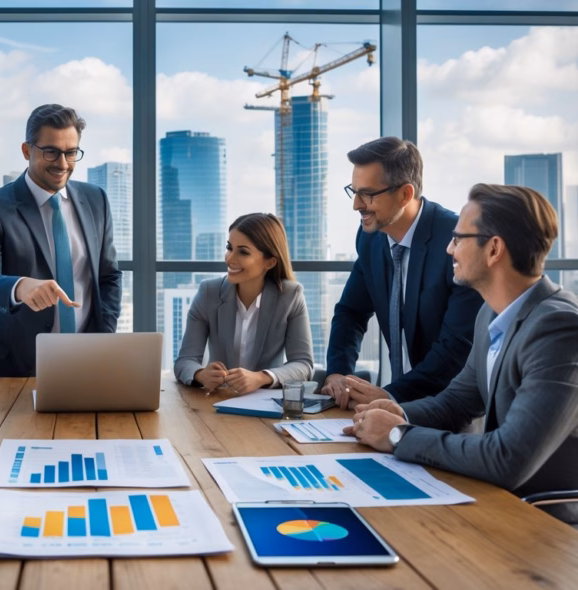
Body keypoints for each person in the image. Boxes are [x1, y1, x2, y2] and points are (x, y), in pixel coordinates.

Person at [346, 184, 578, 522]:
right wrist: (398, 412)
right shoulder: (490, 313)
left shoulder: (558, 328)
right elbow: (455, 403)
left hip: (545, 524)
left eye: (458, 238)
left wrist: (398, 434)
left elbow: (508, 459)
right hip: (496, 505)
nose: (449, 249)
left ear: (494, 249)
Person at [322, 137, 483, 408]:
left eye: (368, 194)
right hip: (395, 405)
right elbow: (351, 312)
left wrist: (389, 395)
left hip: (452, 408)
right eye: (354, 191)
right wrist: (339, 372)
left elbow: (456, 347)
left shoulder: (457, 241)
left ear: (406, 194)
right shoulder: (370, 237)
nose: (357, 205)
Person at [0, 103, 122, 377]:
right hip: (13, 369)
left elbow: (108, 277)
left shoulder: (96, 200)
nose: (63, 164)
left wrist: (103, 337)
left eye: (71, 153)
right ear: (27, 151)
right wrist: (20, 287)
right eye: (51, 152)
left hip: (86, 364)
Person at [174, 213, 313, 393]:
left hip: (264, 403)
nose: (230, 258)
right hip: (217, 401)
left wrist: (260, 377)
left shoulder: (291, 296)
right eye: (229, 248)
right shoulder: (208, 292)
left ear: (270, 262)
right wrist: (200, 374)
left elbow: (303, 365)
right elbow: (185, 360)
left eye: (243, 252)